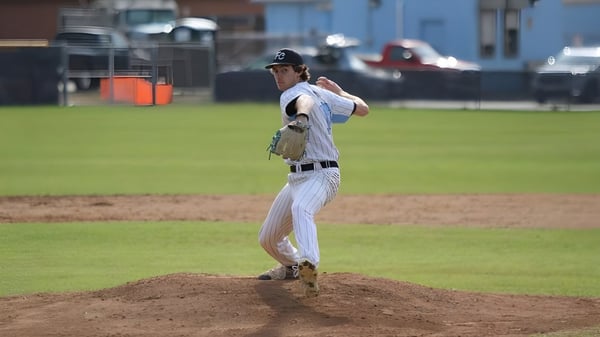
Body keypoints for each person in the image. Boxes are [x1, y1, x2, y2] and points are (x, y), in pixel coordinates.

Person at [257, 48, 369, 297]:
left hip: (323, 176)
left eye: (284, 70)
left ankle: (309, 268)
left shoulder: (293, 94)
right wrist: (340, 93)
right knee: (268, 237)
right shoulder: (322, 94)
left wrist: (303, 116)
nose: (278, 75)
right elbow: (362, 108)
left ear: (299, 72)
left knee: (301, 209)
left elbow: (303, 103)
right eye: (275, 71)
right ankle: (292, 266)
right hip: (297, 178)